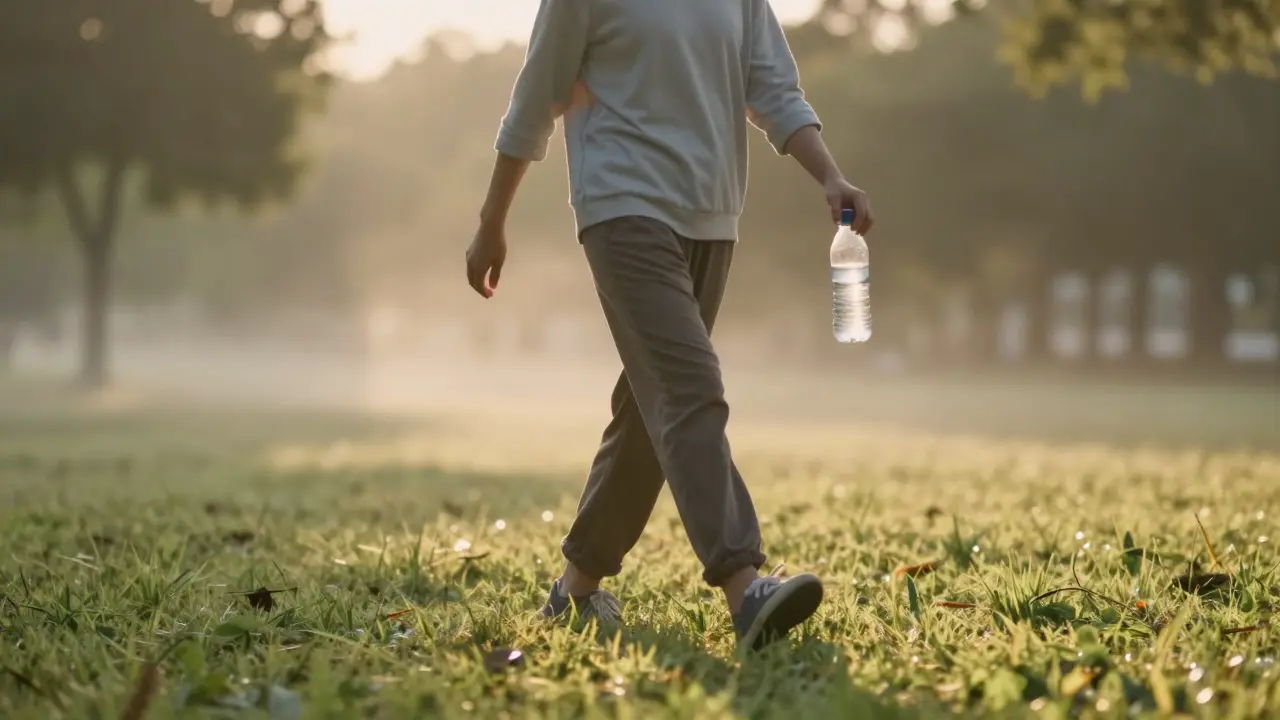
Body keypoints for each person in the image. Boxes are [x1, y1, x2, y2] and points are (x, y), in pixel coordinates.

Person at [465, 0, 875, 650]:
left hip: (711, 215)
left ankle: (574, 591)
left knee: (651, 408)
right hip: (621, 204)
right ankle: (746, 590)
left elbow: (772, 88)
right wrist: (492, 219)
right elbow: (536, 95)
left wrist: (830, 174)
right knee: (688, 386)